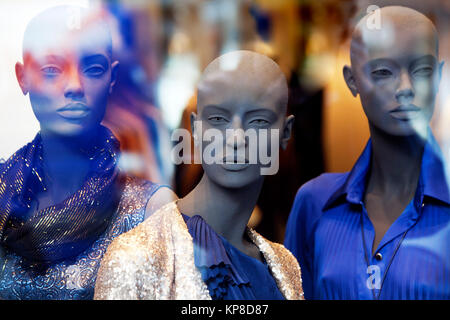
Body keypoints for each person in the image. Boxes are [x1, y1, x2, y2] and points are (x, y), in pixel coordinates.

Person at [94, 50, 304, 300]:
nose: (236, 138)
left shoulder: (285, 266)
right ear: (195, 128)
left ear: (285, 132)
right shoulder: (136, 257)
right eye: (218, 118)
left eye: (258, 121)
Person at [0, 5, 175, 300]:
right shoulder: (6, 191)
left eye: (93, 69)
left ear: (112, 78)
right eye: (51, 69)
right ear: (23, 77)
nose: (74, 86)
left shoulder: (149, 209)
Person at [285, 6, 449, 300]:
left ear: (438, 76)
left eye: (421, 71)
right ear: (353, 81)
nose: (405, 88)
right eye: (383, 72)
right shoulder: (314, 204)